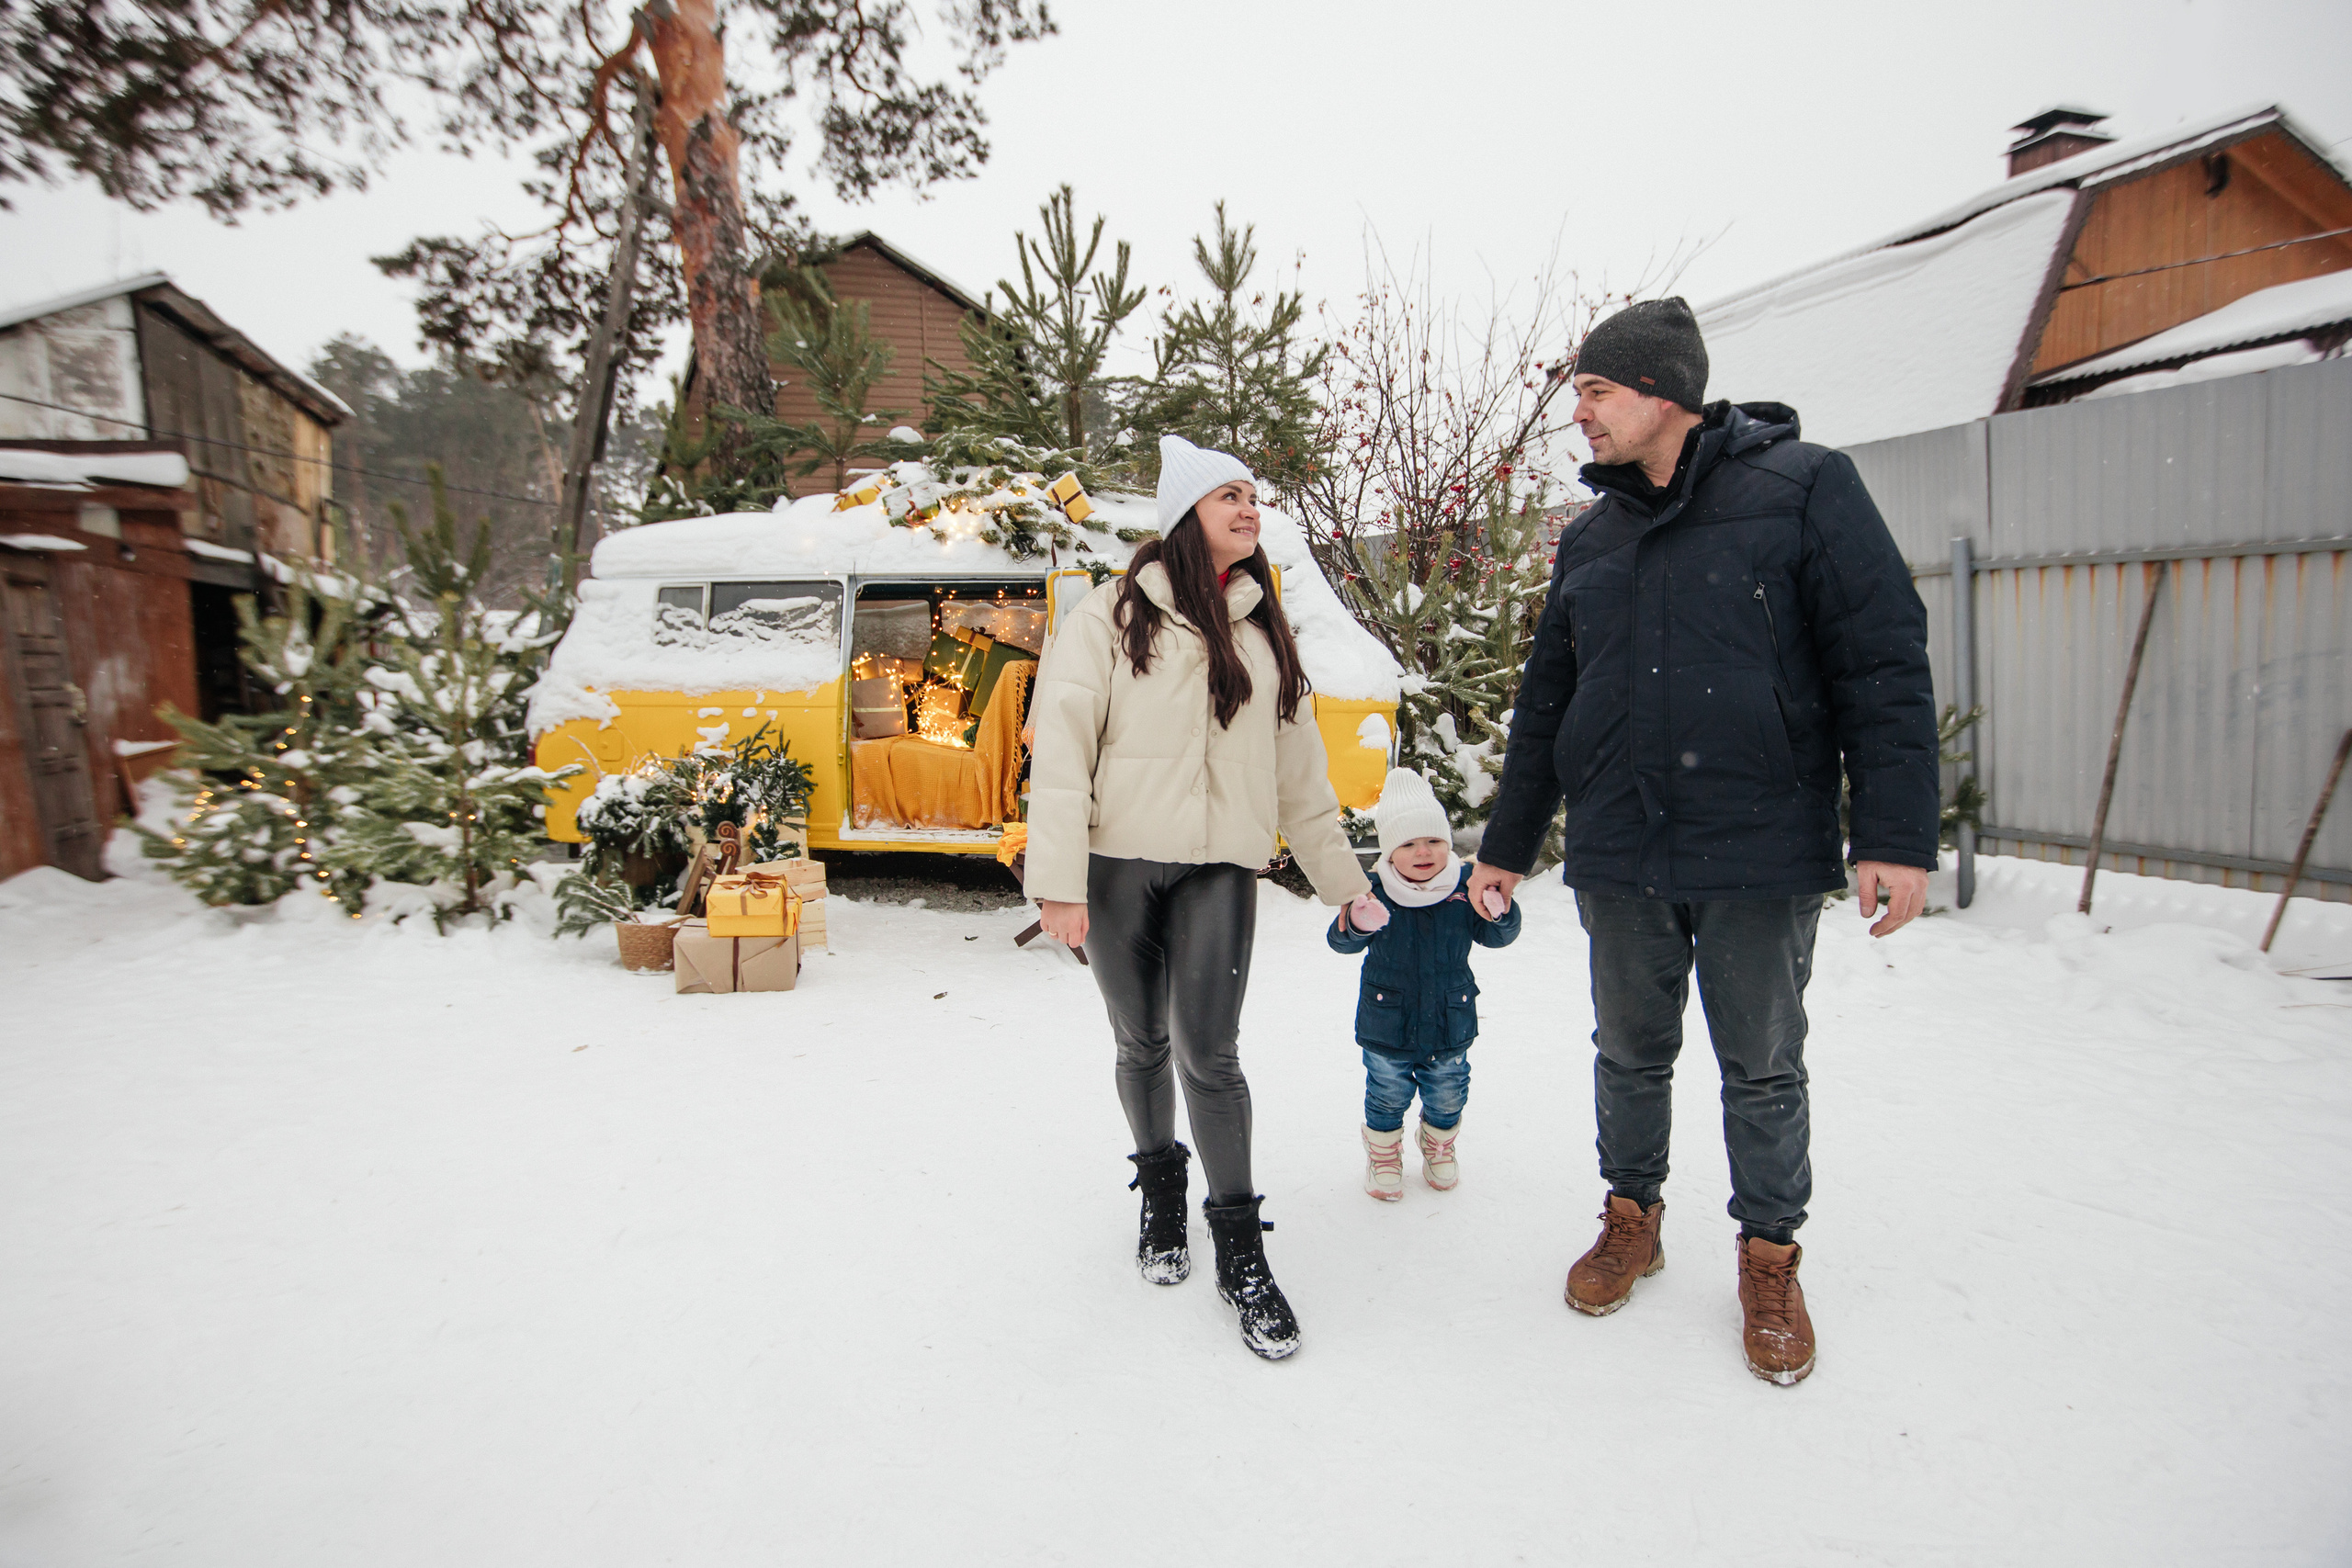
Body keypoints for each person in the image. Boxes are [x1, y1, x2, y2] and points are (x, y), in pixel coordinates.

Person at [1464, 297, 1939, 1387]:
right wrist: (1505, 844)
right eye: (1576, 392)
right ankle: (1632, 1217)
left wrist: (1896, 832)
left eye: (1594, 391)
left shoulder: (1803, 487)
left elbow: (1880, 658)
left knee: (1761, 1068)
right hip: (1623, 846)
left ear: (1662, 392)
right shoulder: (1588, 538)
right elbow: (1547, 705)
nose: (1575, 413)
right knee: (1627, 1052)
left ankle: (1769, 1258)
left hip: (1758, 843)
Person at [1026, 434, 1370, 1361]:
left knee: (1209, 1055)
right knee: (1140, 1042)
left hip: (1221, 867)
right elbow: (1059, 753)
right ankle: (1163, 1196)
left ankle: (1240, 1249)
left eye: (1253, 495)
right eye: (1228, 495)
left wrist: (1344, 883)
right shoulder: (1107, 616)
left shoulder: (1261, 627)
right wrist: (1057, 884)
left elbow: (1300, 773)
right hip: (1116, 866)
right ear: (1185, 517)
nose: (1249, 509)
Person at [1328, 768, 1521, 1200]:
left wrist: (1500, 911)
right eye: (1408, 843)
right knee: (1387, 1094)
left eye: (1433, 840)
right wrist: (1356, 924)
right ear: (1390, 851)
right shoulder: (1372, 889)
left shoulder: (1464, 887)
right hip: (1386, 1022)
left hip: (1450, 1018)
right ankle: (1383, 1154)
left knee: (1449, 1093)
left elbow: (1496, 935)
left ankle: (1438, 1145)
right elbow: (1339, 942)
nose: (1423, 852)